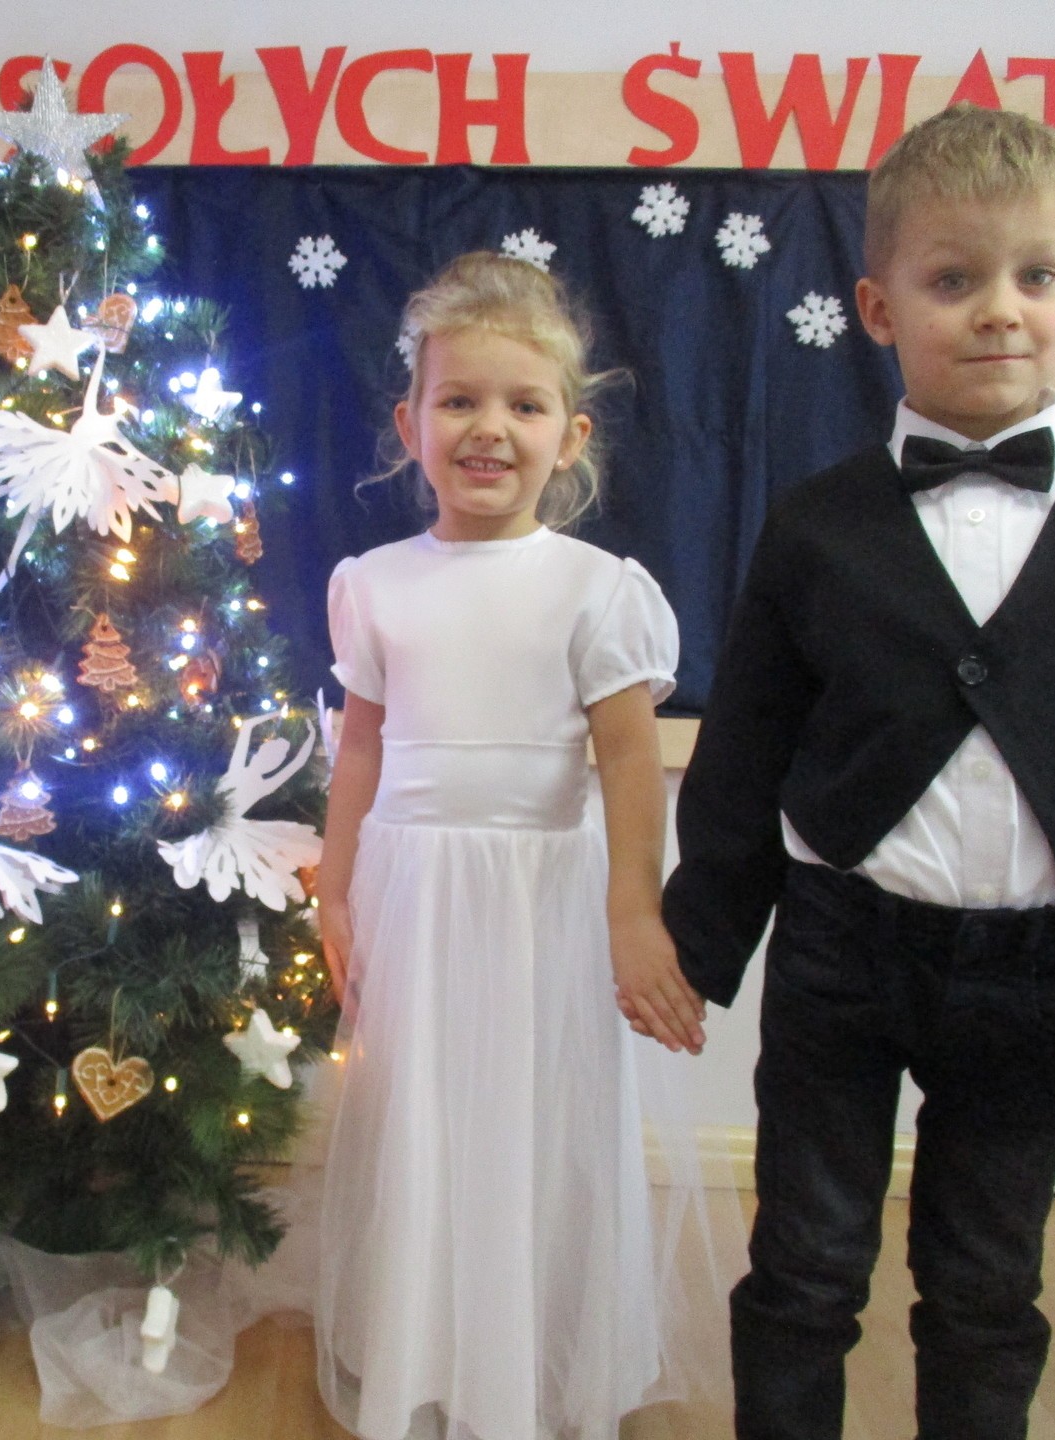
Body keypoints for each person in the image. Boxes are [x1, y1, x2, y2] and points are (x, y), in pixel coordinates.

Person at [663, 104, 1055, 1440]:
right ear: (878, 306)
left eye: (1036, 275)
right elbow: (744, 753)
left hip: (1041, 975)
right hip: (841, 958)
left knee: (986, 1287)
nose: (999, 310)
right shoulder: (815, 523)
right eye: (954, 278)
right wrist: (697, 947)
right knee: (804, 1264)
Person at [313, 251, 738, 1440]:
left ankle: (536, 1352)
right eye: (458, 400)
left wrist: (633, 911)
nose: (489, 429)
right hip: (414, 890)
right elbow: (361, 748)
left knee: (537, 1126)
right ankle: (428, 1344)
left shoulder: (598, 591)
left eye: (524, 404)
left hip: (543, 899)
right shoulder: (374, 585)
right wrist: (335, 889)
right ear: (411, 423)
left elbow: (629, 764)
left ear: (571, 435)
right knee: (423, 1117)